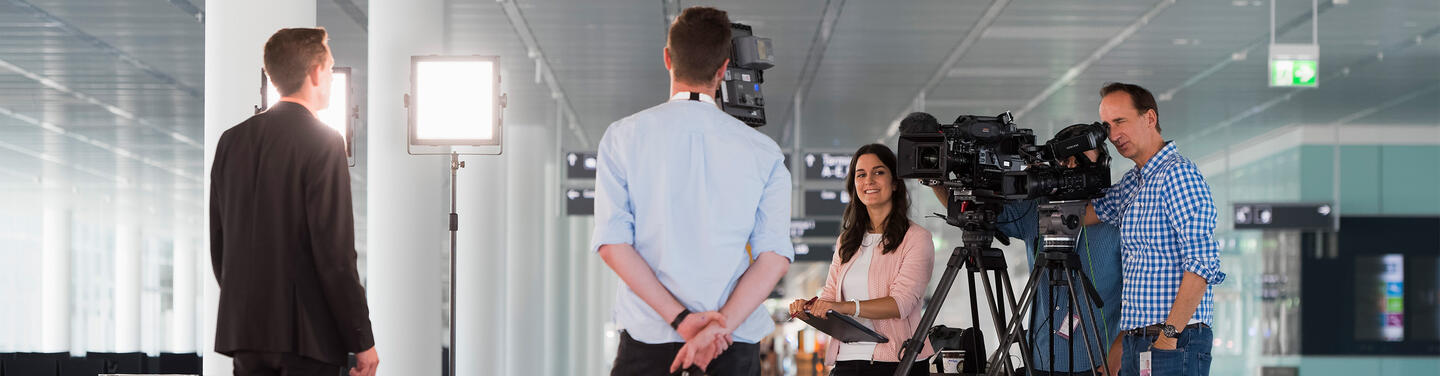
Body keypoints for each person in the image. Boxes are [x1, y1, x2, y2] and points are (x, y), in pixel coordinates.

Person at [592, 6, 792, 375]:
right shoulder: (764, 153)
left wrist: (683, 321)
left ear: (668, 58)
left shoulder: (622, 137)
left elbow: (613, 244)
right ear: (723, 68)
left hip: (648, 338)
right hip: (730, 342)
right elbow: (774, 257)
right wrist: (716, 328)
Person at [210, 28, 378, 376]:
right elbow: (335, 256)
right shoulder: (324, 142)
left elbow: (220, 243)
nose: (330, 78)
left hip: (246, 335)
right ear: (315, 72)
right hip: (307, 339)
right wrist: (361, 339)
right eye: (330, 70)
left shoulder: (231, 141)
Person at [927, 125, 1124, 376]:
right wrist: (938, 180)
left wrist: (1118, 355)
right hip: (1038, 360)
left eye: (1082, 157)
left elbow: (1138, 297)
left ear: (1104, 162)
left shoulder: (1119, 216)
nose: (1073, 165)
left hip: (1098, 361)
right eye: (1066, 159)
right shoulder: (1037, 208)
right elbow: (974, 214)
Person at [1085, 82, 1225, 376]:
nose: (1113, 135)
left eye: (1120, 121)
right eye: (1107, 126)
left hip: (1173, 341)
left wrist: (1168, 337)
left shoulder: (1178, 175)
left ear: (1149, 118)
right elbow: (1084, 214)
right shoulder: (1134, 184)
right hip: (1139, 340)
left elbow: (1202, 264)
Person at [789, 144, 936, 376]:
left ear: (895, 183)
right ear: (854, 185)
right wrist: (810, 307)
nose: (869, 181)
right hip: (847, 360)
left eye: (878, 172)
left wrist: (843, 307)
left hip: (897, 361)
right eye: (861, 175)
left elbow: (901, 303)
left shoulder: (917, 238)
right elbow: (830, 297)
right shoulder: (846, 241)